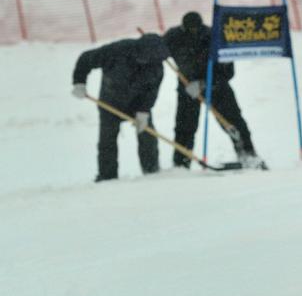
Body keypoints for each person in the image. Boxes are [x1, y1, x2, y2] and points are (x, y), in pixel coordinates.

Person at [163, 11, 265, 169]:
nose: (193, 32)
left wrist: (205, 84)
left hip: (217, 85)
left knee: (233, 121)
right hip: (187, 87)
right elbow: (158, 51)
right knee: (184, 126)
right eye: (189, 30)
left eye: (195, 29)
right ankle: (181, 162)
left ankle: (248, 155)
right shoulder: (173, 36)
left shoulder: (215, 37)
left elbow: (228, 71)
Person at [71, 33, 169, 182]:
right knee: (107, 139)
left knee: (147, 136)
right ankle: (107, 176)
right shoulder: (116, 51)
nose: (151, 62)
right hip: (110, 102)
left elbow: (152, 92)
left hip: (138, 104)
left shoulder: (156, 66)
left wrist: (143, 111)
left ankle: (152, 172)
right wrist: (79, 82)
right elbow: (86, 59)